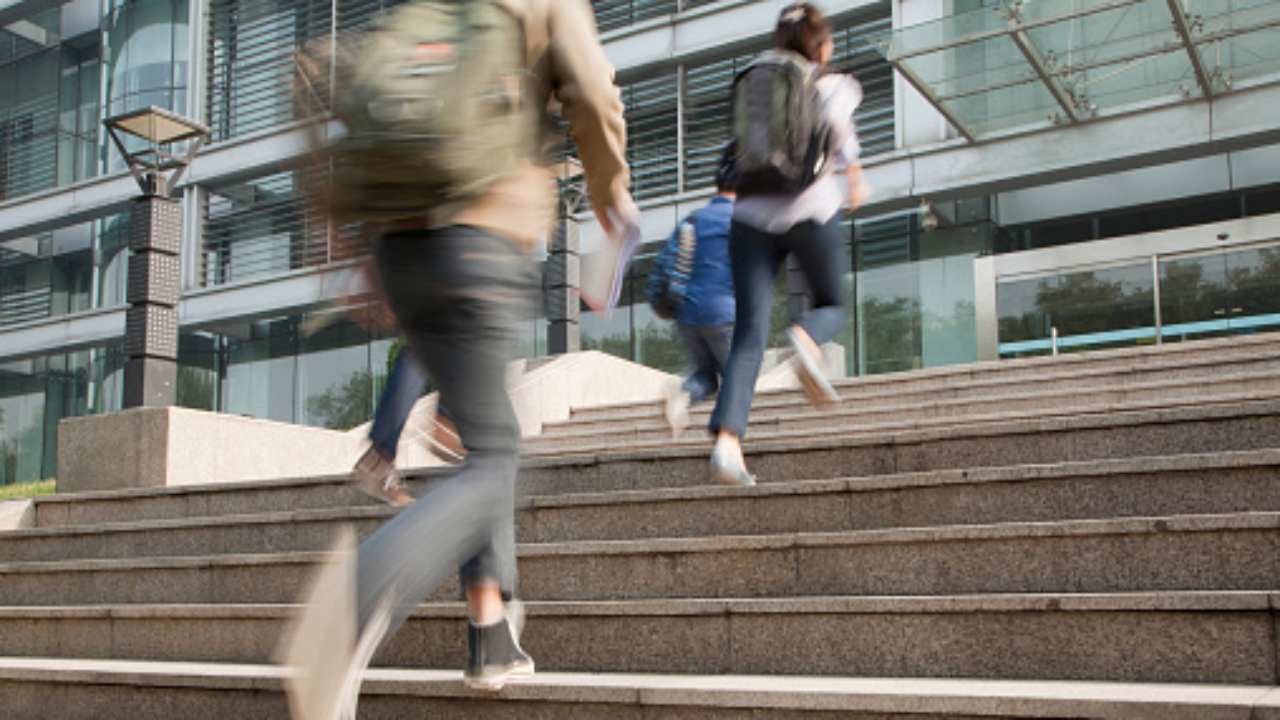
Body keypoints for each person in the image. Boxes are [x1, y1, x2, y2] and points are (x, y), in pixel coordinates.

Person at [280, 1, 633, 717]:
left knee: (482, 436)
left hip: (400, 248)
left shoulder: (430, 9)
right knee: (496, 458)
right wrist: (613, 197)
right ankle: (357, 597)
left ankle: (490, 634)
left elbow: (331, 81)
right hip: (482, 232)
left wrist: (353, 246)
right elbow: (593, 92)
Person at [707, 2, 870, 487]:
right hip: (809, 208)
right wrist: (855, 180)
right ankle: (805, 337)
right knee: (831, 303)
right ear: (821, 44)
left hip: (750, 216)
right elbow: (841, 137)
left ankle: (727, 444)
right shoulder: (834, 84)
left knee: (748, 338)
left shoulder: (761, 78)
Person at [660, 144, 738, 436]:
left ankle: (684, 393)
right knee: (737, 378)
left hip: (687, 315)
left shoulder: (692, 219)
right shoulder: (738, 220)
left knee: (707, 375)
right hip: (723, 314)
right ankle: (726, 442)